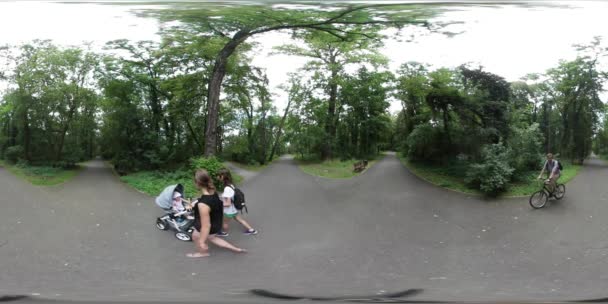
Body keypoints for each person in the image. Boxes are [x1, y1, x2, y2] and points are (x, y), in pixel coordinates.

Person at [186, 169, 247, 258]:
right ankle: (236, 249)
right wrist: (196, 202)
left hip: (209, 225)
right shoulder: (212, 190)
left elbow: (206, 226)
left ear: (197, 183)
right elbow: (211, 201)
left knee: (196, 236)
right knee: (212, 237)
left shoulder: (203, 204)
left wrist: (202, 241)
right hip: (217, 223)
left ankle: (202, 253)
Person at [217, 168, 258, 236]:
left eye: (218, 175)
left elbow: (228, 203)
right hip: (234, 209)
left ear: (223, 176)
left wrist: (219, 203)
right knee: (240, 219)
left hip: (228, 211)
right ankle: (251, 230)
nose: (217, 177)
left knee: (224, 223)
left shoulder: (227, 188)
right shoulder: (231, 185)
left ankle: (224, 233)